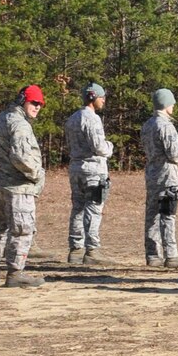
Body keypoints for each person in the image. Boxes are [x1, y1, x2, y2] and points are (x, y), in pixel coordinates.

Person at [0, 86, 46, 288]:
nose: (37, 107)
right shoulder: (20, 125)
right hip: (18, 186)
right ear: (22, 100)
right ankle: (16, 272)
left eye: (40, 104)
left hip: (0, 184)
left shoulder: (0, 119)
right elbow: (21, 157)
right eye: (33, 103)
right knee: (21, 229)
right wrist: (37, 174)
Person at [140, 88, 178, 269]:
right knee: (168, 214)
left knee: (152, 215)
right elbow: (174, 154)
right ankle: (171, 255)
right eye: (171, 103)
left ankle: (152, 255)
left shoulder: (147, 125)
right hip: (167, 175)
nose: (173, 106)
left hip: (152, 174)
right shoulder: (166, 126)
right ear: (165, 104)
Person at [63, 83, 114, 264]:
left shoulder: (72, 118)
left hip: (76, 168)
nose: (104, 100)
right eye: (101, 97)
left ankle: (75, 249)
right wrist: (110, 147)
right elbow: (99, 147)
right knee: (94, 209)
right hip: (93, 170)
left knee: (77, 208)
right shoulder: (92, 119)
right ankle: (92, 250)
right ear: (94, 98)